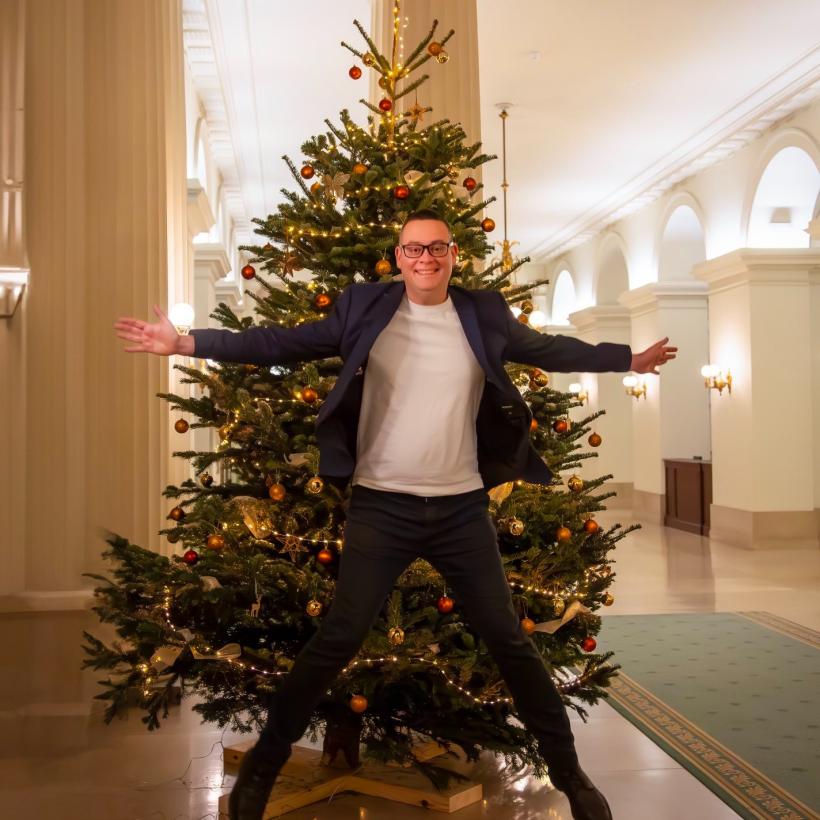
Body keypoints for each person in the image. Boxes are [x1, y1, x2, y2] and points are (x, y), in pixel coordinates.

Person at [115, 210, 676, 820]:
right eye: (414, 249)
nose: (426, 258)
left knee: (511, 643)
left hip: (461, 509)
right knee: (336, 640)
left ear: (453, 254)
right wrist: (188, 342)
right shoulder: (364, 307)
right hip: (383, 506)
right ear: (398, 255)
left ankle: (572, 778)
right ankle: (260, 773)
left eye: (437, 247)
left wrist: (627, 359)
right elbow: (281, 340)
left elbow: (549, 348)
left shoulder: (482, 313)